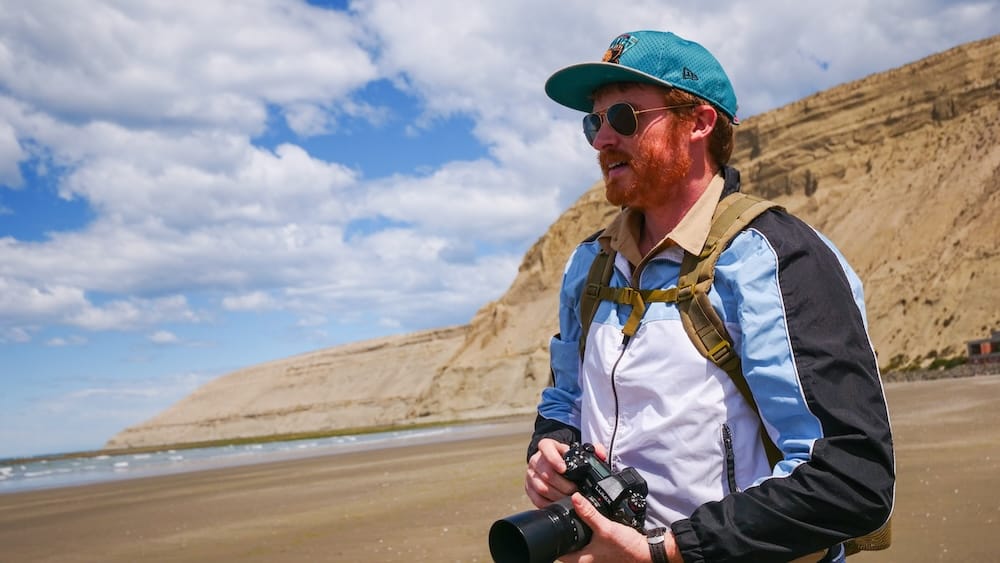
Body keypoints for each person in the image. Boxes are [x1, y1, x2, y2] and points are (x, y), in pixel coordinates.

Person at [524, 30, 894, 563]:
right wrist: (548, 452)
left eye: (623, 117)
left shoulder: (774, 257)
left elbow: (849, 478)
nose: (601, 140)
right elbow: (564, 400)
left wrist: (666, 550)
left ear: (698, 122)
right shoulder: (590, 265)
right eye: (593, 122)